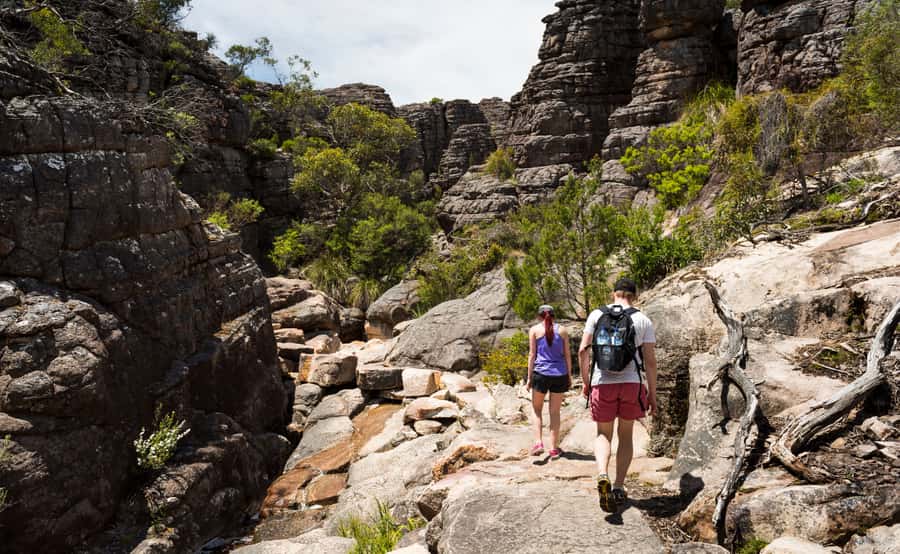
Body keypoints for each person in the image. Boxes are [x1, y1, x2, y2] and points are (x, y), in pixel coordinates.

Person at [578, 278, 657, 513]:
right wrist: (652, 393)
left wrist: (585, 382)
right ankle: (619, 487)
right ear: (635, 295)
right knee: (625, 435)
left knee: (603, 434)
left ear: (613, 293)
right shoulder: (642, 319)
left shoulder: (595, 315)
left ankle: (603, 474)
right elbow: (650, 362)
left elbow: (583, 350)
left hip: (602, 383)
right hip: (631, 383)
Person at [526, 304, 572, 460]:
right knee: (554, 412)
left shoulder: (534, 330)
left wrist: (529, 378)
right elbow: (567, 355)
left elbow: (532, 355)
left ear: (539, 316)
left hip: (541, 373)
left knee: (536, 409)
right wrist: (569, 376)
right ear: (554, 315)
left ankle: (538, 443)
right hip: (559, 374)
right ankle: (553, 449)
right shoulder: (563, 331)